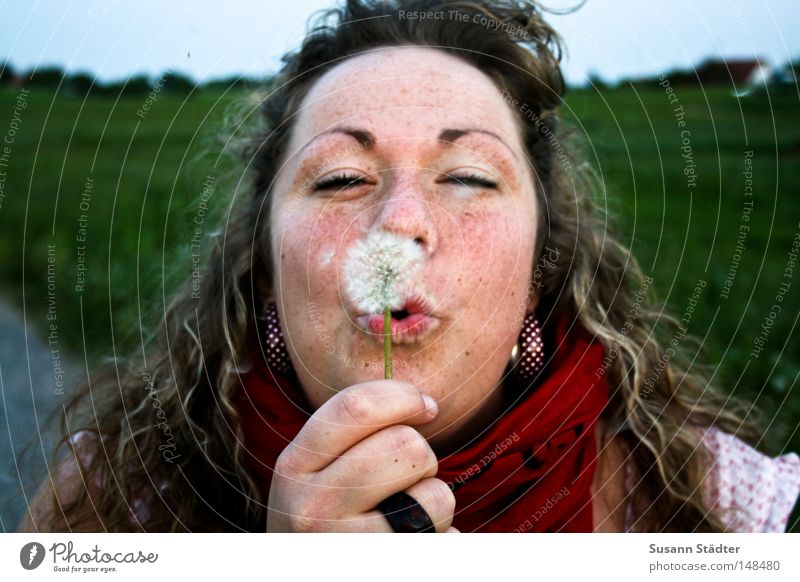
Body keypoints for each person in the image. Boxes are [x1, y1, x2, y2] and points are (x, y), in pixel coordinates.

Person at [19, 0, 800, 533]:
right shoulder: (118, 499)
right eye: (341, 179)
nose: (399, 223)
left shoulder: (709, 504)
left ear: (541, 266)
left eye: (466, 176)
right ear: (261, 265)